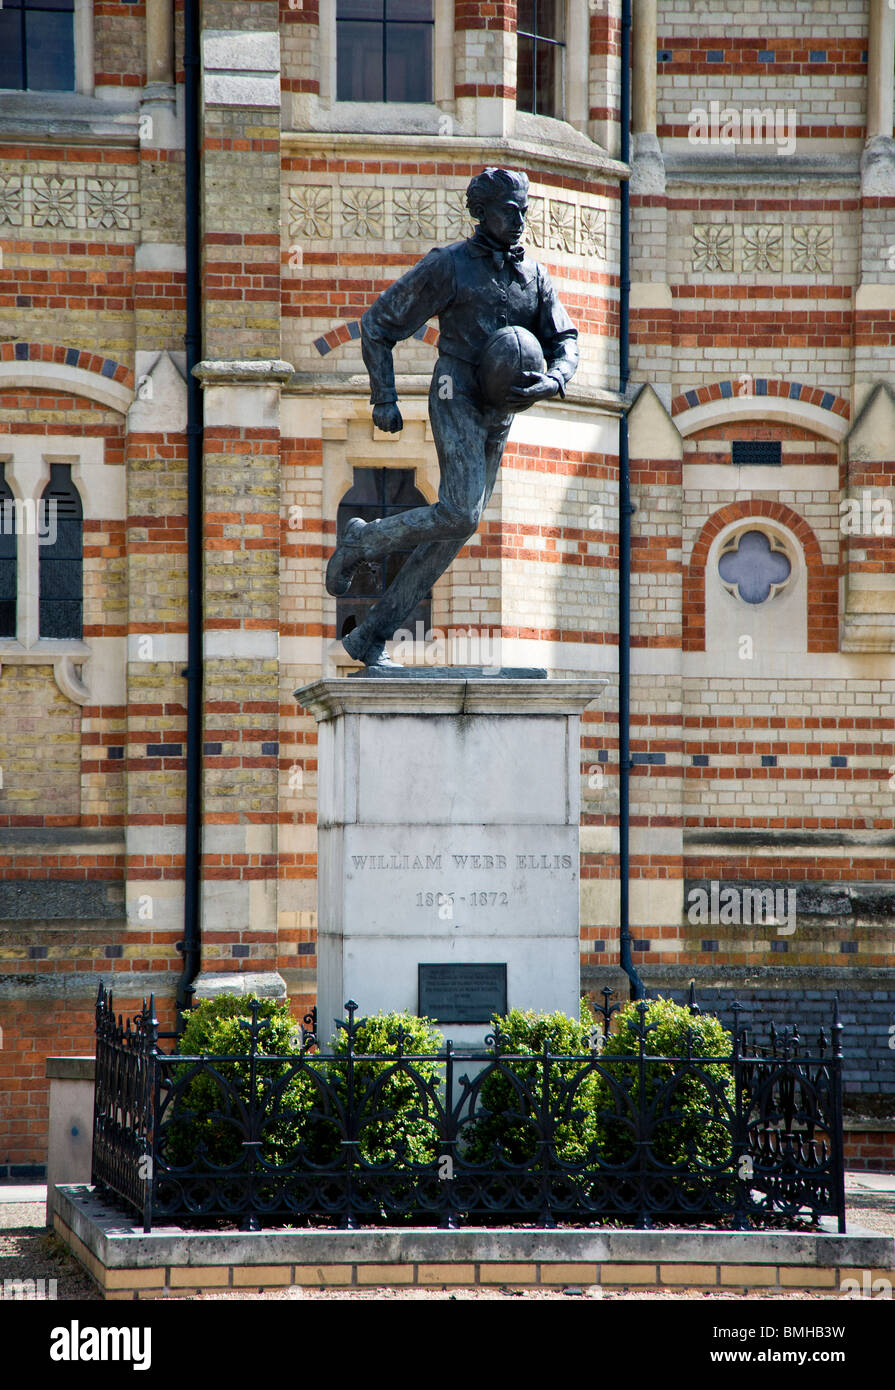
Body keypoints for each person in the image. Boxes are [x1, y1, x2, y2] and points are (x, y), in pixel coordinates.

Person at [325, 166, 579, 669]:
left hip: (501, 408)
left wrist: (555, 379)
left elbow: (565, 340)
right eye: (511, 210)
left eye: (525, 210)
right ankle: (362, 539)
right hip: (455, 390)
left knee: (455, 528)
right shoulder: (450, 265)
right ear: (482, 212)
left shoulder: (534, 274)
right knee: (461, 512)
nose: (521, 219)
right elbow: (378, 324)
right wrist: (384, 398)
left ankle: (370, 636)